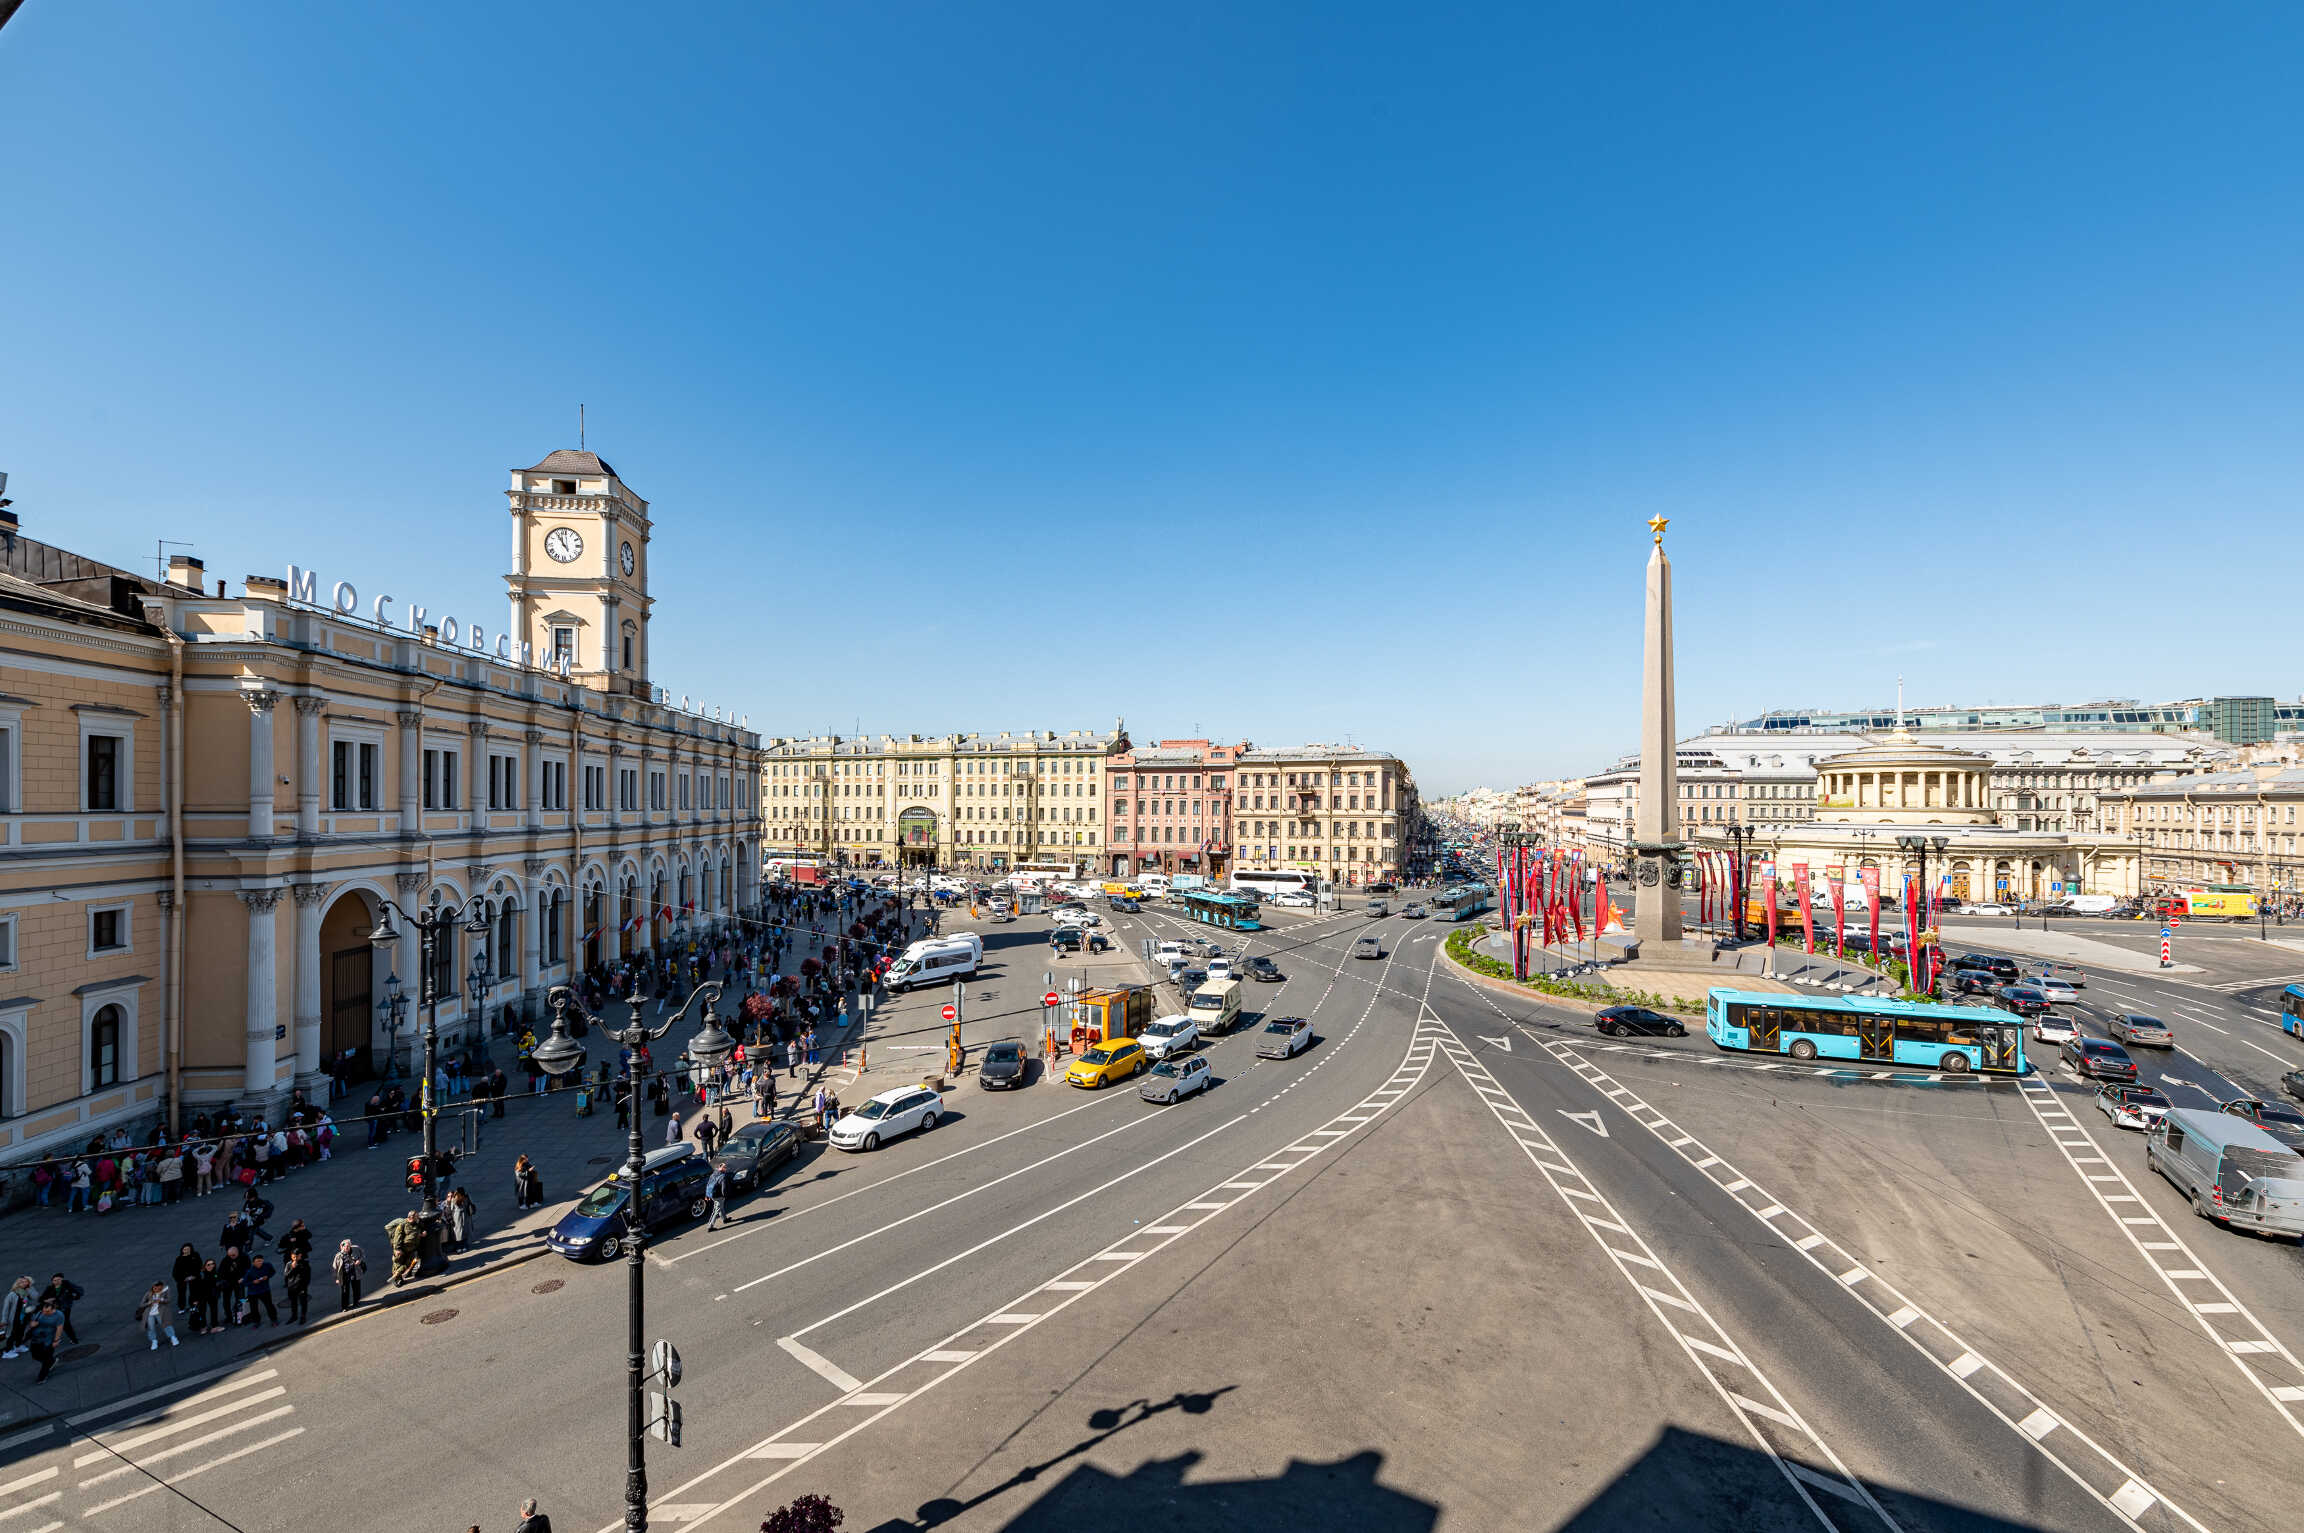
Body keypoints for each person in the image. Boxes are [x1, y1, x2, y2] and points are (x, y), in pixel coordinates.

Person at [22, 1298, 66, 1383]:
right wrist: (32, 1324)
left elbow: (59, 1328)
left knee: (46, 1359)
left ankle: (42, 1377)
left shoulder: (59, 1315)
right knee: (35, 1356)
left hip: (48, 1340)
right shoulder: (40, 1313)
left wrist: (56, 1340)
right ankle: (52, 1361)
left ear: (54, 1309)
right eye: (44, 1311)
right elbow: (32, 1323)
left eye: (48, 1311)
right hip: (36, 1339)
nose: (45, 1313)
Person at [39, 1273, 83, 1344]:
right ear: (52, 1281)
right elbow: (41, 1299)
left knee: (66, 1323)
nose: (56, 1281)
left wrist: (74, 1297)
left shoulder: (67, 1286)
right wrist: (47, 1300)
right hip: (54, 1309)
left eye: (58, 1280)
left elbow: (79, 1290)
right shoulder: (49, 1288)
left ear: (62, 1280)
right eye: (54, 1280)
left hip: (65, 1308)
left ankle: (74, 1339)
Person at [139, 1282, 182, 1349]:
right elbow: (141, 1304)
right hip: (150, 1314)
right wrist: (150, 1302)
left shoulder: (165, 1291)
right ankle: (154, 1341)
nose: (155, 1289)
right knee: (151, 1328)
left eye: (157, 1288)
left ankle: (173, 1337)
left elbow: (169, 1300)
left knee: (166, 1325)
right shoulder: (148, 1293)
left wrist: (161, 1300)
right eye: (154, 1288)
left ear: (161, 1287)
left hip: (161, 1312)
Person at [189, 1258, 222, 1335]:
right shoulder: (200, 1275)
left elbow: (218, 1283)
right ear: (205, 1266)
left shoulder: (215, 1273)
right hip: (201, 1296)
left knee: (214, 1310)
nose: (211, 1266)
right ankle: (203, 1327)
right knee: (202, 1312)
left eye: (213, 1264)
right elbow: (194, 1288)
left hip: (212, 1295)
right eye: (208, 1264)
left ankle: (214, 1326)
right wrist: (194, 1299)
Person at [332, 1239, 366, 1311]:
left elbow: (363, 1255)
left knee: (356, 1289)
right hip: (344, 1275)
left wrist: (359, 1260)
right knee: (345, 1291)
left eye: (349, 1246)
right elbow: (335, 1267)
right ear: (342, 1247)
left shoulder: (356, 1249)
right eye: (346, 1246)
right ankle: (345, 1307)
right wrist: (337, 1278)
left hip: (355, 1273)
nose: (347, 1248)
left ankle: (356, 1302)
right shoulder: (338, 1256)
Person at [282, 1250, 313, 1324]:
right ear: (291, 1256)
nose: (295, 1258)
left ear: (300, 1255)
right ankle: (294, 1316)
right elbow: (286, 1275)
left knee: (303, 1302)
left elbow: (308, 1275)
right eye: (293, 1257)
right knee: (293, 1302)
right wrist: (293, 1267)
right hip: (292, 1287)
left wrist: (305, 1285)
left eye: (296, 1256)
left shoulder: (304, 1263)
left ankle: (303, 1316)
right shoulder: (289, 1264)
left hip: (301, 1287)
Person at [173, 1243, 204, 1312]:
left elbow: (199, 1265)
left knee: (193, 1292)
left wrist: (194, 1276)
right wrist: (183, 1278)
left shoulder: (195, 1255)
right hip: (182, 1278)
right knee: (181, 1293)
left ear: (191, 1249)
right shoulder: (179, 1258)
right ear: (182, 1250)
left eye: (187, 1249)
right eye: (184, 1249)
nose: (185, 1250)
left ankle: (193, 1306)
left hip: (194, 1277)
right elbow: (175, 1270)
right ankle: (182, 1307)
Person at [705, 1161, 730, 1231]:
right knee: (716, 1210)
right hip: (718, 1195)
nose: (726, 1169)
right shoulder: (723, 1176)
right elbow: (724, 1188)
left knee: (720, 1207)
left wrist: (706, 1195)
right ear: (722, 1168)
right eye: (725, 1168)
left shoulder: (713, 1174)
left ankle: (725, 1219)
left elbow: (708, 1184)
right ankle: (710, 1226)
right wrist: (725, 1195)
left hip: (712, 1194)